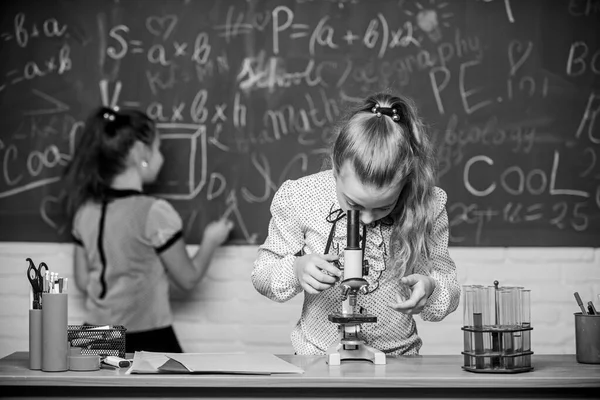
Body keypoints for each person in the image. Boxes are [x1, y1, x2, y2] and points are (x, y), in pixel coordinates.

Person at [251, 92, 460, 356]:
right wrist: (296, 268)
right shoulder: (301, 196)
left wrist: (430, 288)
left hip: (398, 362)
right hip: (318, 359)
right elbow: (261, 275)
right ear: (337, 169)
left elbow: (449, 286)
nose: (367, 219)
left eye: (384, 207)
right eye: (354, 204)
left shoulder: (427, 204)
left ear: (405, 182)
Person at [63, 106, 233, 353]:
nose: (161, 158)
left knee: (96, 393)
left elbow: (81, 280)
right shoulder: (154, 212)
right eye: (158, 149)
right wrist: (210, 240)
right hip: (145, 337)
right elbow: (188, 278)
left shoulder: (85, 211)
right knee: (176, 392)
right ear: (141, 152)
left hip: (92, 337)